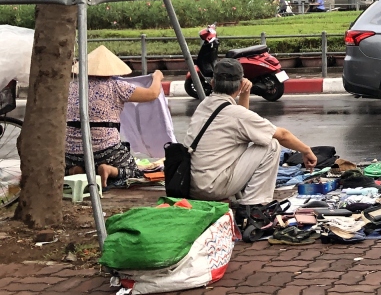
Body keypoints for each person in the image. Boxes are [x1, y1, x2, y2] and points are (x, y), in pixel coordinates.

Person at [188, 58, 317, 208]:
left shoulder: (204, 105)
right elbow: (282, 135)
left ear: (212, 84)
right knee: (272, 144)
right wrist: (307, 150)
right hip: (212, 188)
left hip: (193, 185)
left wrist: (245, 93)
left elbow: (243, 123)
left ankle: (246, 202)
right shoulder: (235, 114)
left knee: (257, 138)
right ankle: (254, 204)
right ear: (241, 84)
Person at [65, 46, 164, 187]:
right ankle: (109, 170)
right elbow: (152, 94)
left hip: (71, 151)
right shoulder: (117, 86)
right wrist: (157, 77)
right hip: (105, 150)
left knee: (64, 167)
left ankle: (76, 170)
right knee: (134, 170)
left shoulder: (72, 87)